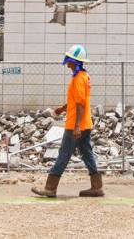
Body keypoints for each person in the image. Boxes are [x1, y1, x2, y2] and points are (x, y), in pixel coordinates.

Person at [31, 44, 103, 198]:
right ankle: (97, 186)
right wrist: (62, 108)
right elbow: (78, 100)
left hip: (75, 125)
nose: (67, 63)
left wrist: (76, 126)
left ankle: (50, 188)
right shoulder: (85, 76)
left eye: (69, 60)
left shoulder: (78, 79)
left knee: (64, 154)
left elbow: (80, 104)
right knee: (87, 153)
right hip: (86, 124)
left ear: (75, 62)